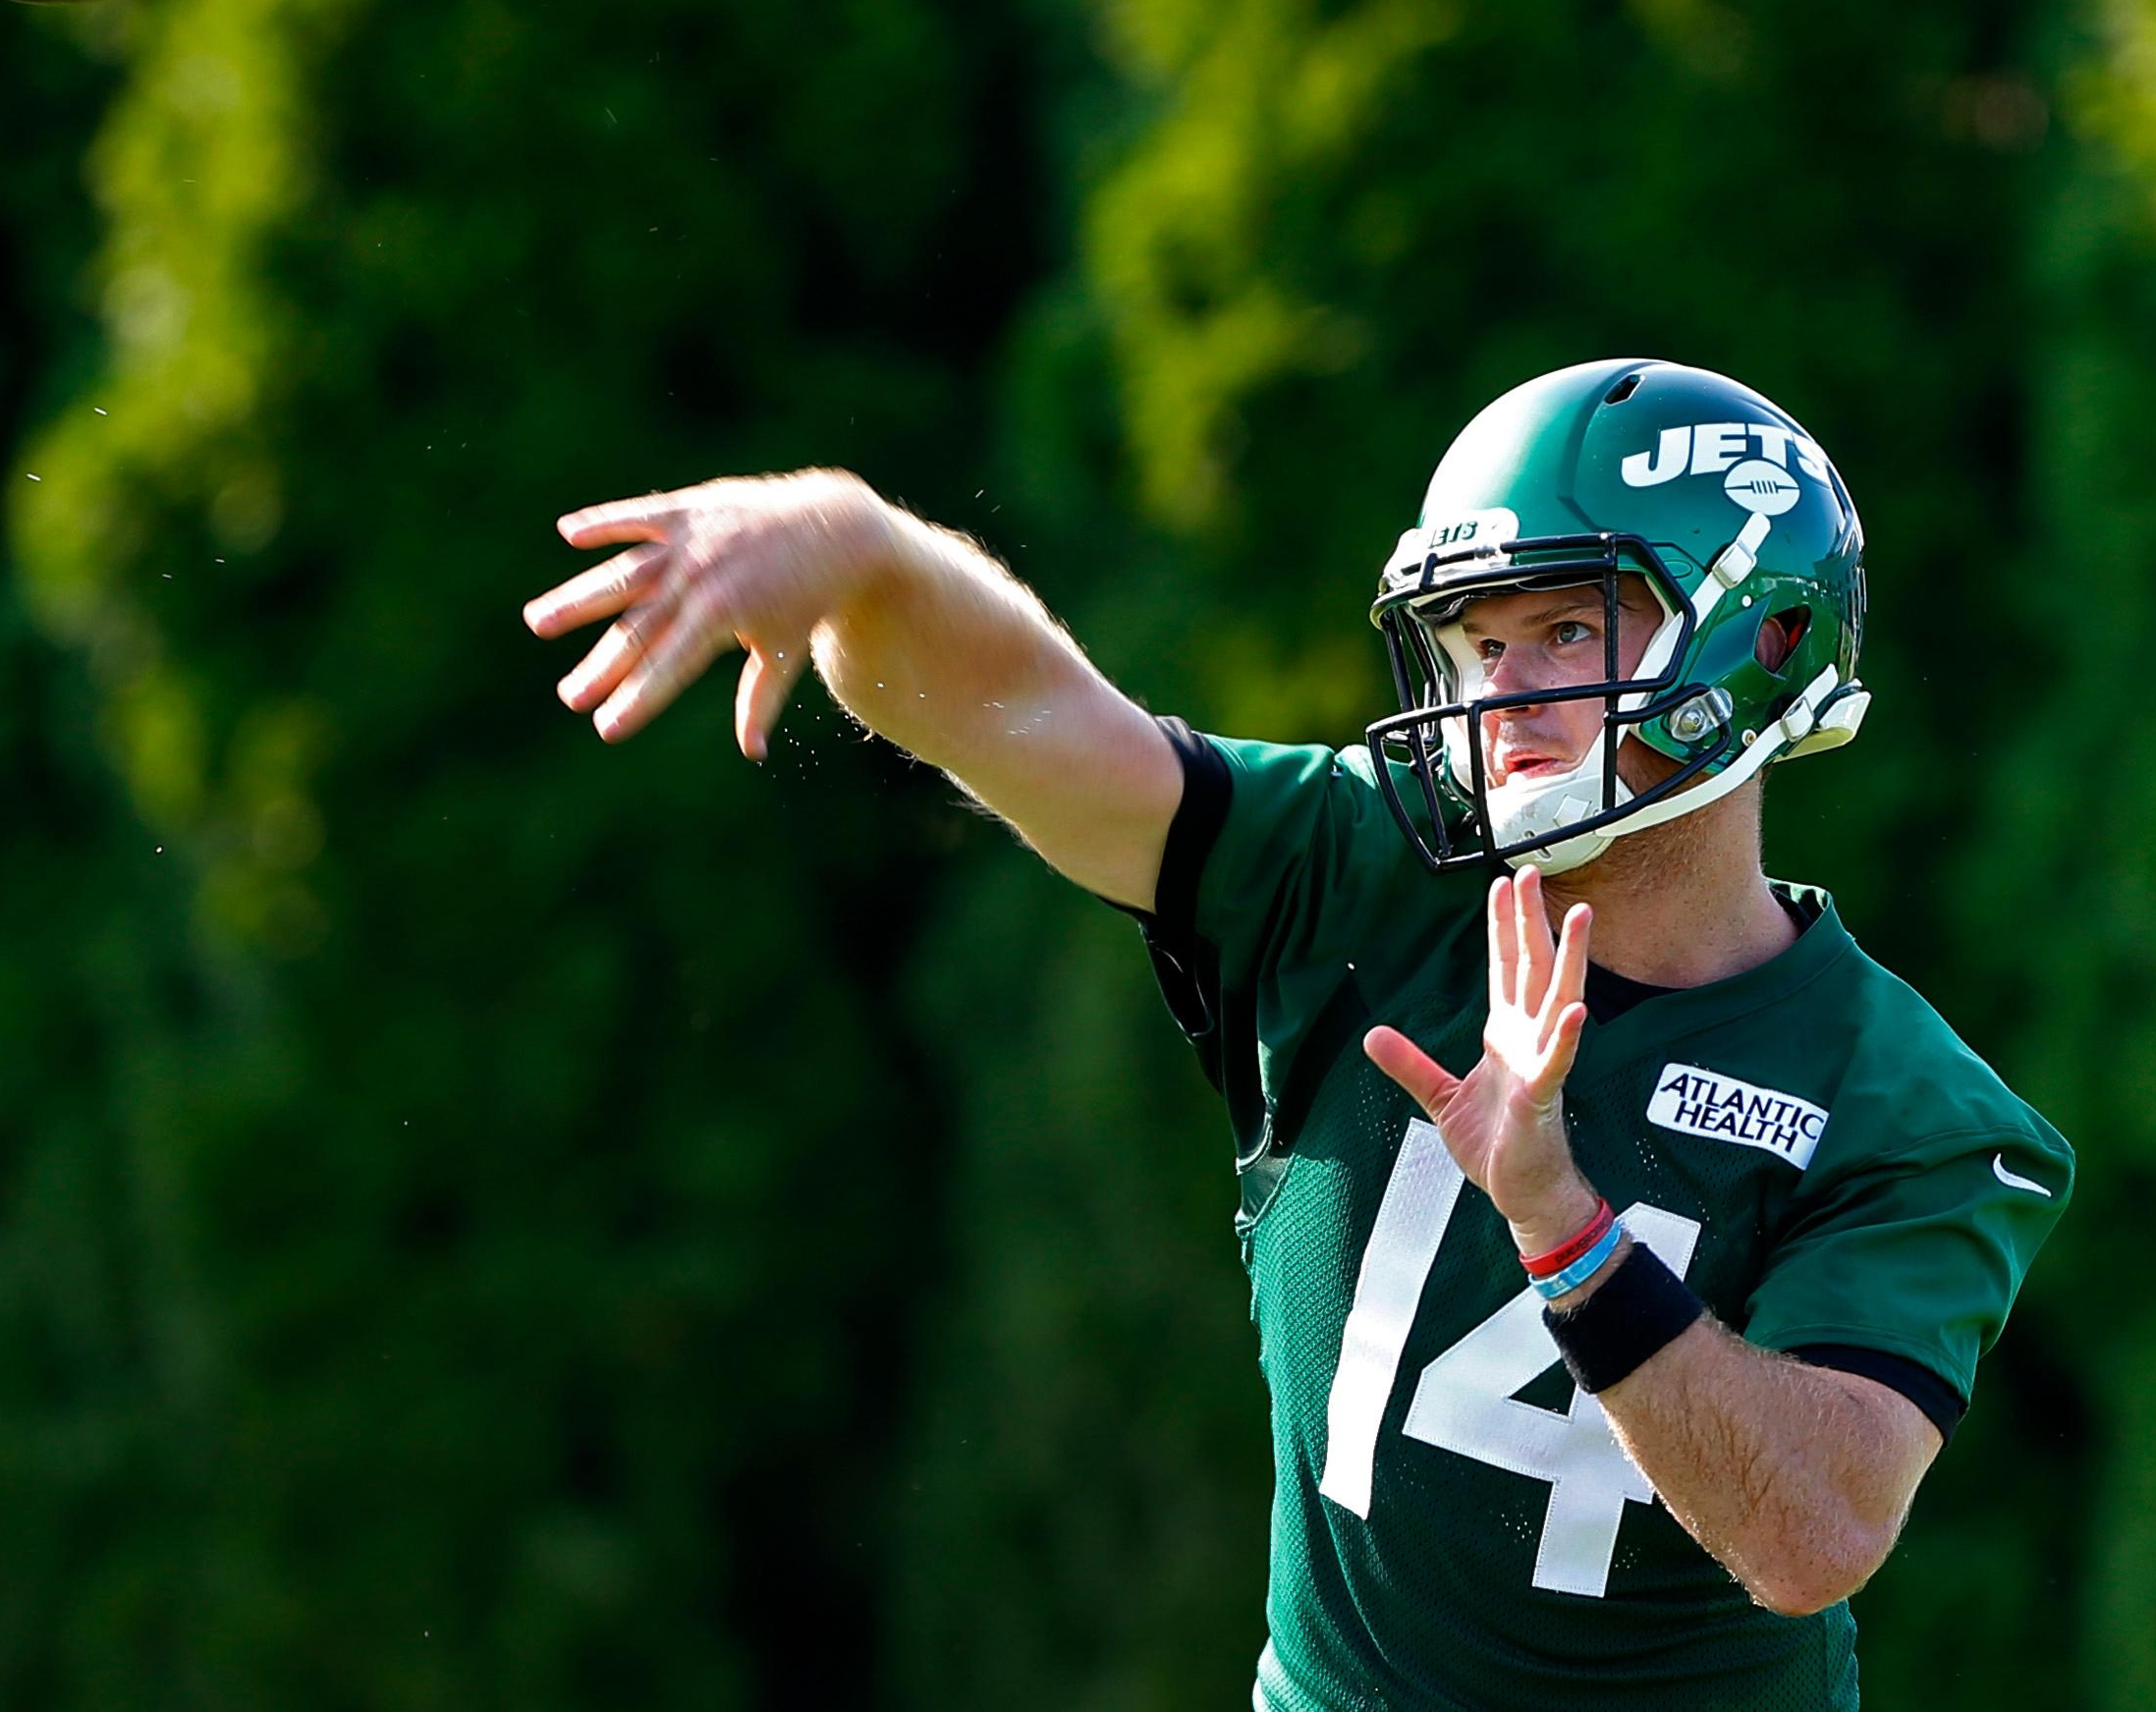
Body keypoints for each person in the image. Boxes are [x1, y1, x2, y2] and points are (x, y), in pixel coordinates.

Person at [526, 358, 2072, 1709]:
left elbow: (1810, 1536)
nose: (1503, 692)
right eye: (1474, 640)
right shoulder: (1359, 874)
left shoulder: (1910, 1105)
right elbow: (1032, 727)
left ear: (1765, 645)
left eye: (1567, 627)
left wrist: (1562, 1223)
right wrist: (865, 557)